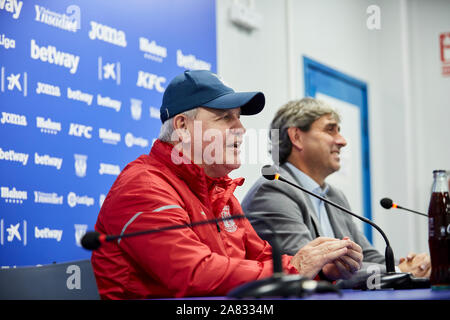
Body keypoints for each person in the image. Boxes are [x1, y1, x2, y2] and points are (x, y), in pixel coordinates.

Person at [91, 71, 363, 299]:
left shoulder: (218, 190)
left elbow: (264, 256)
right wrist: (297, 268)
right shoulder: (142, 187)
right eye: (225, 118)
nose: (241, 129)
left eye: (239, 118)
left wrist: (321, 268)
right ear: (183, 127)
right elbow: (193, 274)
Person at [241, 97, 431, 283]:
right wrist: (400, 271)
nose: (342, 141)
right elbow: (310, 269)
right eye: (330, 130)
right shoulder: (273, 191)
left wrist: (416, 266)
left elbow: (367, 256)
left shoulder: (334, 195)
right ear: (296, 137)